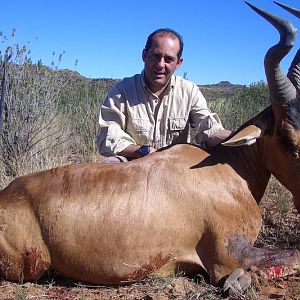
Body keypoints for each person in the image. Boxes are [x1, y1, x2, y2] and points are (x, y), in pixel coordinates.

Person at [96, 28, 231, 162]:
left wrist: (237, 137)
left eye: (168, 59)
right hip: (134, 165)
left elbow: (209, 129)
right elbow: (107, 138)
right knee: (110, 163)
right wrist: (143, 151)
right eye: (155, 56)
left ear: (178, 63)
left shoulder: (189, 91)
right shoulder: (122, 91)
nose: (160, 65)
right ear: (144, 55)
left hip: (175, 166)